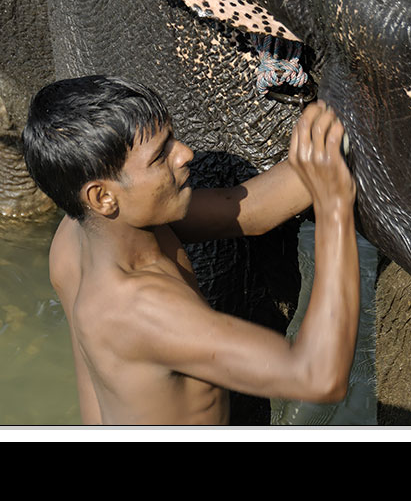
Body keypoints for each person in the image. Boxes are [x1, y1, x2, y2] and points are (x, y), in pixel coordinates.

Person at [21, 74, 359, 425]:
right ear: (103, 196)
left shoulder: (82, 236)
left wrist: (331, 140)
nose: (185, 154)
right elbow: (318, 377)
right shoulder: (138, 309)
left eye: (173, 139)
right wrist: (335, 209)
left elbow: (250, 209)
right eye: (159, 156)